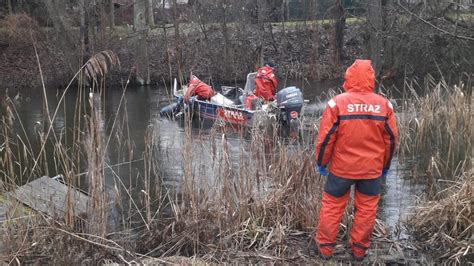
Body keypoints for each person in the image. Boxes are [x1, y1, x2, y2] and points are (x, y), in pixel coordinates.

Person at [313, 59, 398, 261]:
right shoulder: (384, 105)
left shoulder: (337, 103)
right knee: (367, 210)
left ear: (348, 77)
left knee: (332, 207)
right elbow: (392, 141)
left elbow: (325, 139)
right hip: (371, 171)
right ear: (371, 79)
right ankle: (359, 251)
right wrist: (385, 167)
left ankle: (325, 248)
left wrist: (322, 163)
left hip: (342, 169)